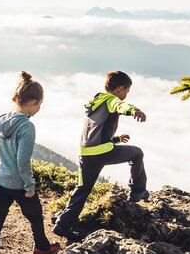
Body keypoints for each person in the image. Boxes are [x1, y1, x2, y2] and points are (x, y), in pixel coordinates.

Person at [0, 71, 61, 254]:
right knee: (35, 213)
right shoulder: (27, 127)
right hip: (16, 182)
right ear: (32, 102)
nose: (39, 108)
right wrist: (29, 185)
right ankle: (41, 248)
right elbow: (23, 161)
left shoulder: (4, 121)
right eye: (39, 104)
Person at [52, 70, 149, 239]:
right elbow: (120, 106)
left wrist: (116, 138)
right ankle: (137, 192)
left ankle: (62, 224)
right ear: (120, 89)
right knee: (137, 153)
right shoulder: (112, 100)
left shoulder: (96, 102)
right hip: (103, 152)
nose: (126, 94)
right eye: (126, 91)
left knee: (82, 190)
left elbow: (97, 132)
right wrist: (134, 110)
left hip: (86, 153)